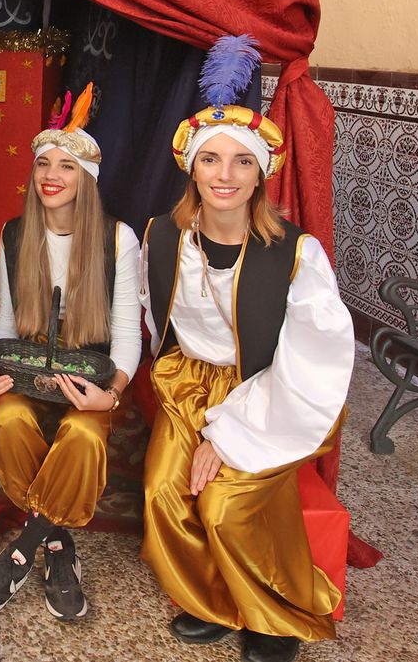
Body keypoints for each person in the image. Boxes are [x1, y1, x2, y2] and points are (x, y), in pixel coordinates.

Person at [139, 40, 354, 662]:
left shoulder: (296, 254)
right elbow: (147, 319)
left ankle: (274, 615)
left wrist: (226, 436)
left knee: (225, 504)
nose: (225, 175)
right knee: (161, 492)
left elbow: (310, 362)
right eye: (211, 160)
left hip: (268, 392)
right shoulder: (161, 237)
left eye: (240, 162)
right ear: (192, 168)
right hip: (188, 383)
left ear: (261, 173)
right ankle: (214, 601)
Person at [0, 85, 141, 622]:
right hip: (29, 366)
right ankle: (58, 544)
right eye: (42, 163)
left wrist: (108, 399)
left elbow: (130, 336)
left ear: (87, 179)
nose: (50, 174)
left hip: (91, 371)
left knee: (83, 437)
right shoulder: (15, 234)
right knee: (10, 425)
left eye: (65, 164)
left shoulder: (118, 240)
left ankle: (21, 553)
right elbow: (8, 324)